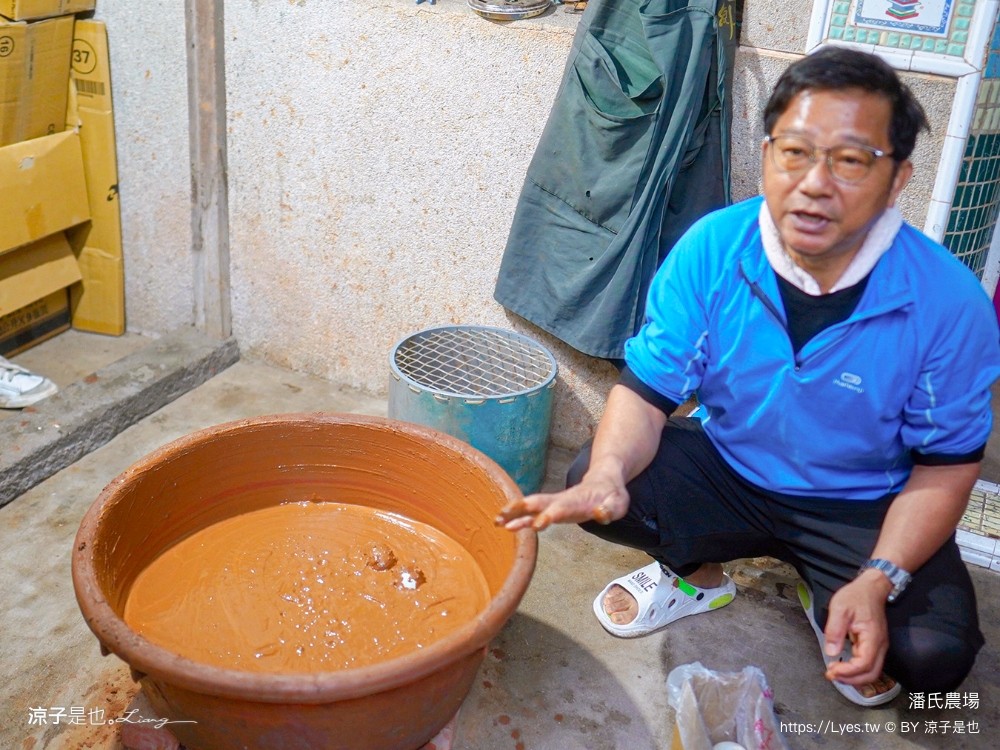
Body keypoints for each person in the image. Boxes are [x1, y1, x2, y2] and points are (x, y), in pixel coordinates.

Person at [499, 46, 1000, 706]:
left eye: (850, 160)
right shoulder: (713, 249)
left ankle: (833, 588)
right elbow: (646, 395)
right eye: (793, 151)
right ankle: (698, 578)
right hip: (730, 469)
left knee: (931, 658)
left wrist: (878, 577)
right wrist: (607, 476)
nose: (815, 182)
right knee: (594, 478)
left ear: (898, 176)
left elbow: (946, 466)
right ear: (766, 154)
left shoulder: (948, 301)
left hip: (864, 504)